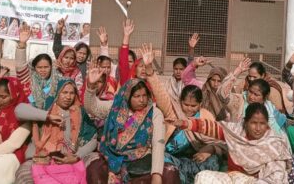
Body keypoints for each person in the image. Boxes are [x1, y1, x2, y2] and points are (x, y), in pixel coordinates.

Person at [140, 44, 223, 183]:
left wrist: (210, 149)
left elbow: (220, 141)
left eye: (193, 106)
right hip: (174, 159)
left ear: (200, 104)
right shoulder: (173, 109)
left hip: (196, 159)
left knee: (214, 161)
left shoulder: (205, 115)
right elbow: (160, 93)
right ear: (180, 101)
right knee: (160, 159)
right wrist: (149, 69)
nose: (189, 109)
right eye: (186, 105)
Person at [172, 102, 292, 184]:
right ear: (246, 122)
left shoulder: (274, 144)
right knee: (202, 177)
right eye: (254, 123)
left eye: (262, 123)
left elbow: (277, 175)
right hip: (230, 177)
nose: (258, 128)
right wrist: (185, 123)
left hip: (253, 181)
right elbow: (212, 127)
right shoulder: (235, 132)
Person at [85, 77, 177, 184]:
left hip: (140, 159)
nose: (142, 100)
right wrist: (90, 87)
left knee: (169, 173)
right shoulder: (116, 107)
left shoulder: (154, 113)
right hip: (111, 156)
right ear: (128, 96)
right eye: (137, 96)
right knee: (94, 170)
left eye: (144, 95)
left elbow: (158, 143)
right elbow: (92, 107)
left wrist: (156, 174)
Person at [14, 78, 99, 184]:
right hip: (42, 159)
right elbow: (18, 110)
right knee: (23, 175)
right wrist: (47, 116)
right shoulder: (44, 106)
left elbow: (93, 139)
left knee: (97, 163)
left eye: (72, 93)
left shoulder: (80, 112)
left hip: (71, 158)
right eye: (64, 92)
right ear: (57, 92)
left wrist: (76, 156)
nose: (68, 97)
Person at [217, 57, 290, 147]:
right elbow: (221, 94)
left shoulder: (270, 108)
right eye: (250, 92)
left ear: (265, 97)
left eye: (256, 95)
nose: (251, 97)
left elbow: (280, 132)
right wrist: (237, 71)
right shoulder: (240, 102)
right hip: (239, 145)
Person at [16, 24, 62, 110]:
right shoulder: (28, 81)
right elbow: (20, 65)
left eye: (46, 67)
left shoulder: (56, 82)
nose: (43, 70)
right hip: (28, 115)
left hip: (50, 115)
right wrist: (22, 44)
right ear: (34, 68)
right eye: (39, 67)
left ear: (51, 67)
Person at [182, 56, 229, 121]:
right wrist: (194, 64)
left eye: (219, 81)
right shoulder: (202, 88)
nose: (215, 84)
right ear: (209, 79)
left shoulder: (227, 94)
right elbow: (186, 78)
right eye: (213, 80)